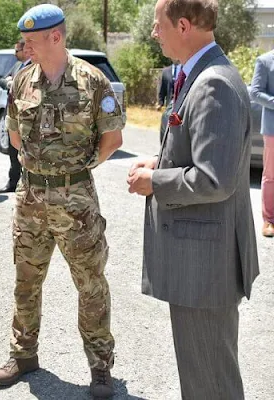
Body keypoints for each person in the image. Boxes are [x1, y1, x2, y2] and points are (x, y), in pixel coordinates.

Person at [127, 0, 260, 398]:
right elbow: (204, 155)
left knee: (210, 382)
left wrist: (156, 181)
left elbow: (214, 179)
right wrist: (161, 160)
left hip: (205, 267)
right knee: (204, 374)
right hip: (202, 262)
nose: (153, 33)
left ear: (183, 26)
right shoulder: (199, 73)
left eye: (157, 25)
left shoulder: (212, 82)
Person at [0, 5, 124, 398]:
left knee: (90, 283)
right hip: (30, 198)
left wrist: (77, 172)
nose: (24, 47)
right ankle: (23, 353)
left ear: (56, 37)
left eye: (30, 41)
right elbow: (15, 138)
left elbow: (112, 140)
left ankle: (101, 366)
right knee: (26, 280)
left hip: (77, 203)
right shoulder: (21, 81)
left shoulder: (92, 81)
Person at [0, 38, 32, 194]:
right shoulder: (18, 66)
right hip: (12, 114)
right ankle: (13, 183)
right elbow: (2, 80)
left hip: (26, 115)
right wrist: (8, 83)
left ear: (25, 50)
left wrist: (14, 84)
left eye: (17, 50)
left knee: (27, 150)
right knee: (13, 150)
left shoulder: (34, 67)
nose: (14, 53)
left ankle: (27, 185)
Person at [250, 50, 274, 237]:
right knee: (271, 175)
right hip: (272, 129)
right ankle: (269, 220)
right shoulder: (265, 61)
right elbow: (256, 92)